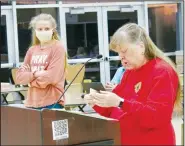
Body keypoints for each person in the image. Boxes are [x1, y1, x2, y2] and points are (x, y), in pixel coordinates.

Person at [84, 23, 182, 145]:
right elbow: (112, 110)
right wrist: (96, 102)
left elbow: (156, 117)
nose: (121, 58)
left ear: (141, 47)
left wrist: (120, 102)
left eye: (124, 51)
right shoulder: (129, 72)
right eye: (118, 53)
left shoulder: (162, 71)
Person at [16, 13, 67, 110]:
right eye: (40, 29)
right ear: (35, 31)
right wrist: (36, 74)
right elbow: (19, 77)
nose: (43, 31)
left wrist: (30, 82)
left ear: (53, 30)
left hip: (52, 102)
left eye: (47, 29)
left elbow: (52, 77)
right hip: (32, 103)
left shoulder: (58, 48)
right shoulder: (32, 50)